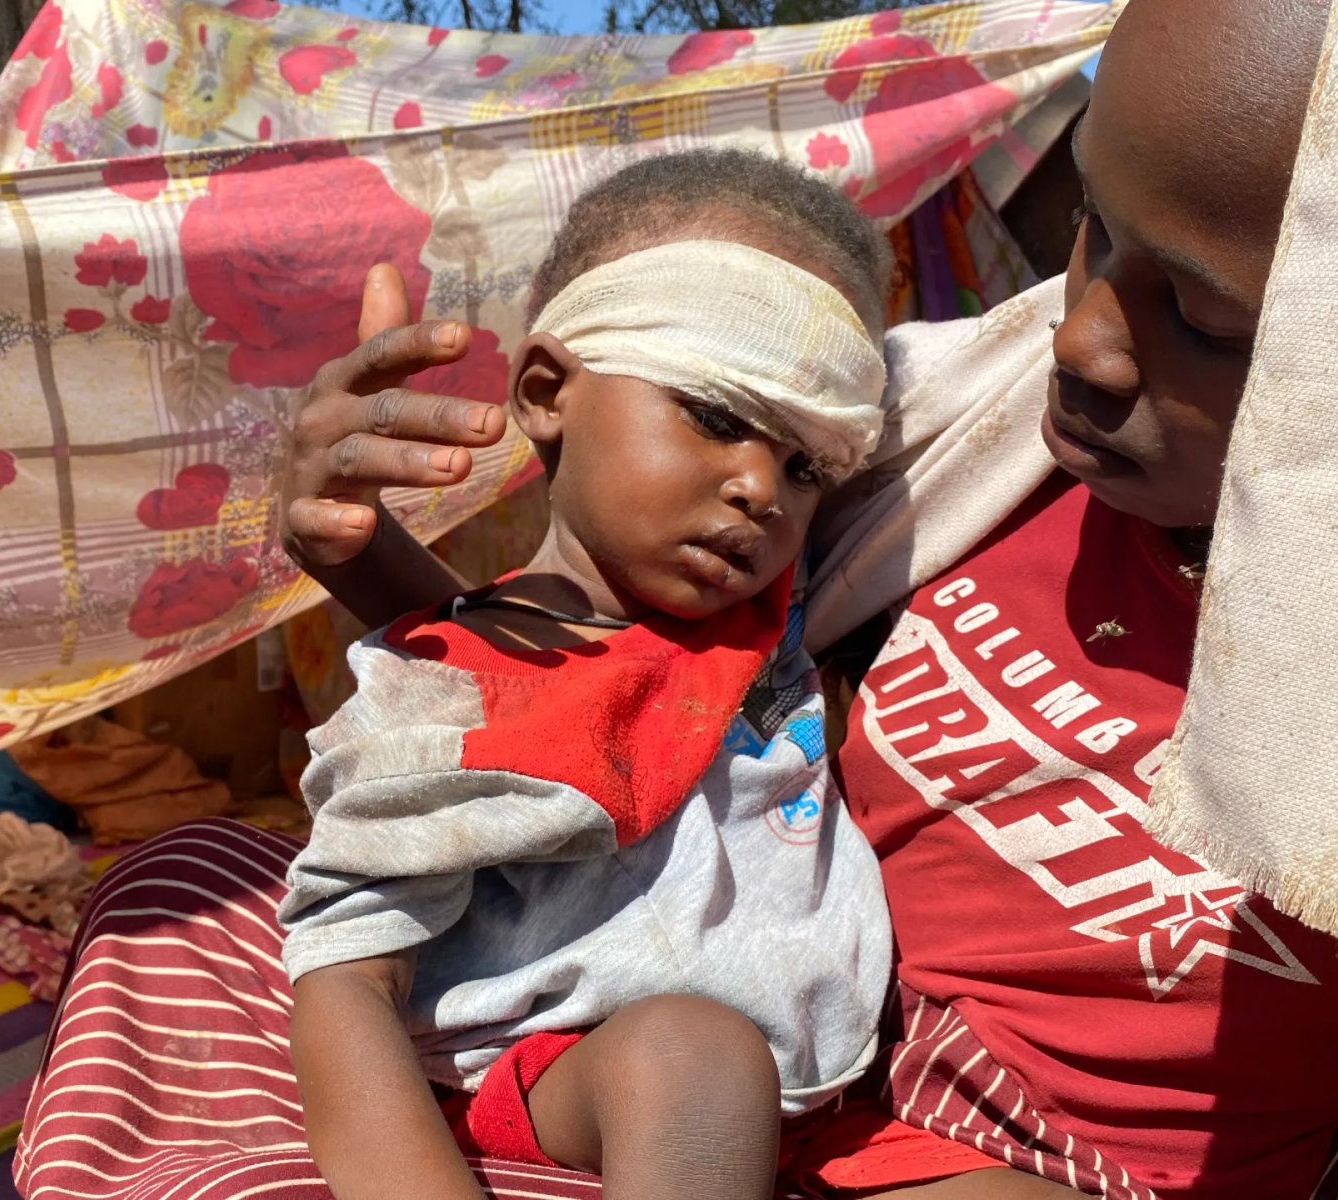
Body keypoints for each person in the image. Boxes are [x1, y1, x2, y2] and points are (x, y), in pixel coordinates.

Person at [13, 2, 1338, 1198]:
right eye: (1089, 227)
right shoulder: (946, 452)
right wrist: (364, 563)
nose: (1080, 339)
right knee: (186, 886)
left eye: (1209, 321)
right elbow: (564, 692)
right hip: (664, 1084)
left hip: (912, 1138)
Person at [280, 158, 896, 1200]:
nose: (761, 486)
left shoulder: (767, 618)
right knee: (693, 1059)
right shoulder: (454, 698)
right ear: (545, 393)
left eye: (806, 465)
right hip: (572, 1072)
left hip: (821, 1100)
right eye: (714, 412)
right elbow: (348, 972)